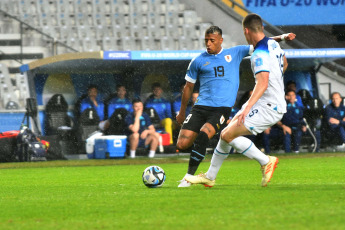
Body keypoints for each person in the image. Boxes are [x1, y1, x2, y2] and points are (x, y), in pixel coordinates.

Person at [176, 24, 295, 187]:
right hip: (200, 107)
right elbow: (188, 87)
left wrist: (282, 37)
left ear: (220, 41)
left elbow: (261, 42)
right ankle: (210, 175)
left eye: (212, 40)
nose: (208, 44)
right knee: (183, 144)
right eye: (206, 41)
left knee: (208, 134)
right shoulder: (198, 61)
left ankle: (188, 177)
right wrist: (182, 112)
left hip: (221, 109)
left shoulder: (235, 52)